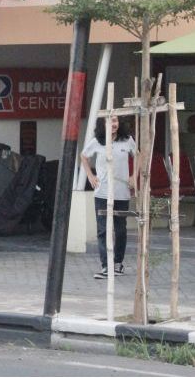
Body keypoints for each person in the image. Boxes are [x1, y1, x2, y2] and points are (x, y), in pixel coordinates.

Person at [81, 116, 137, 279]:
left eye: (115, 121)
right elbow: (84, 157)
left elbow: (138, 155)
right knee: (103, 230)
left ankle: (118, 263)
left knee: (120, 230)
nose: (114, 124)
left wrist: (134, 176)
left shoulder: (127, 140)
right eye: (110, 121)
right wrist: (90, 176)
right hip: (102, 192)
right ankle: (106, 266)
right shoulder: (97, 142)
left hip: (121, 192)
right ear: (102, 125)